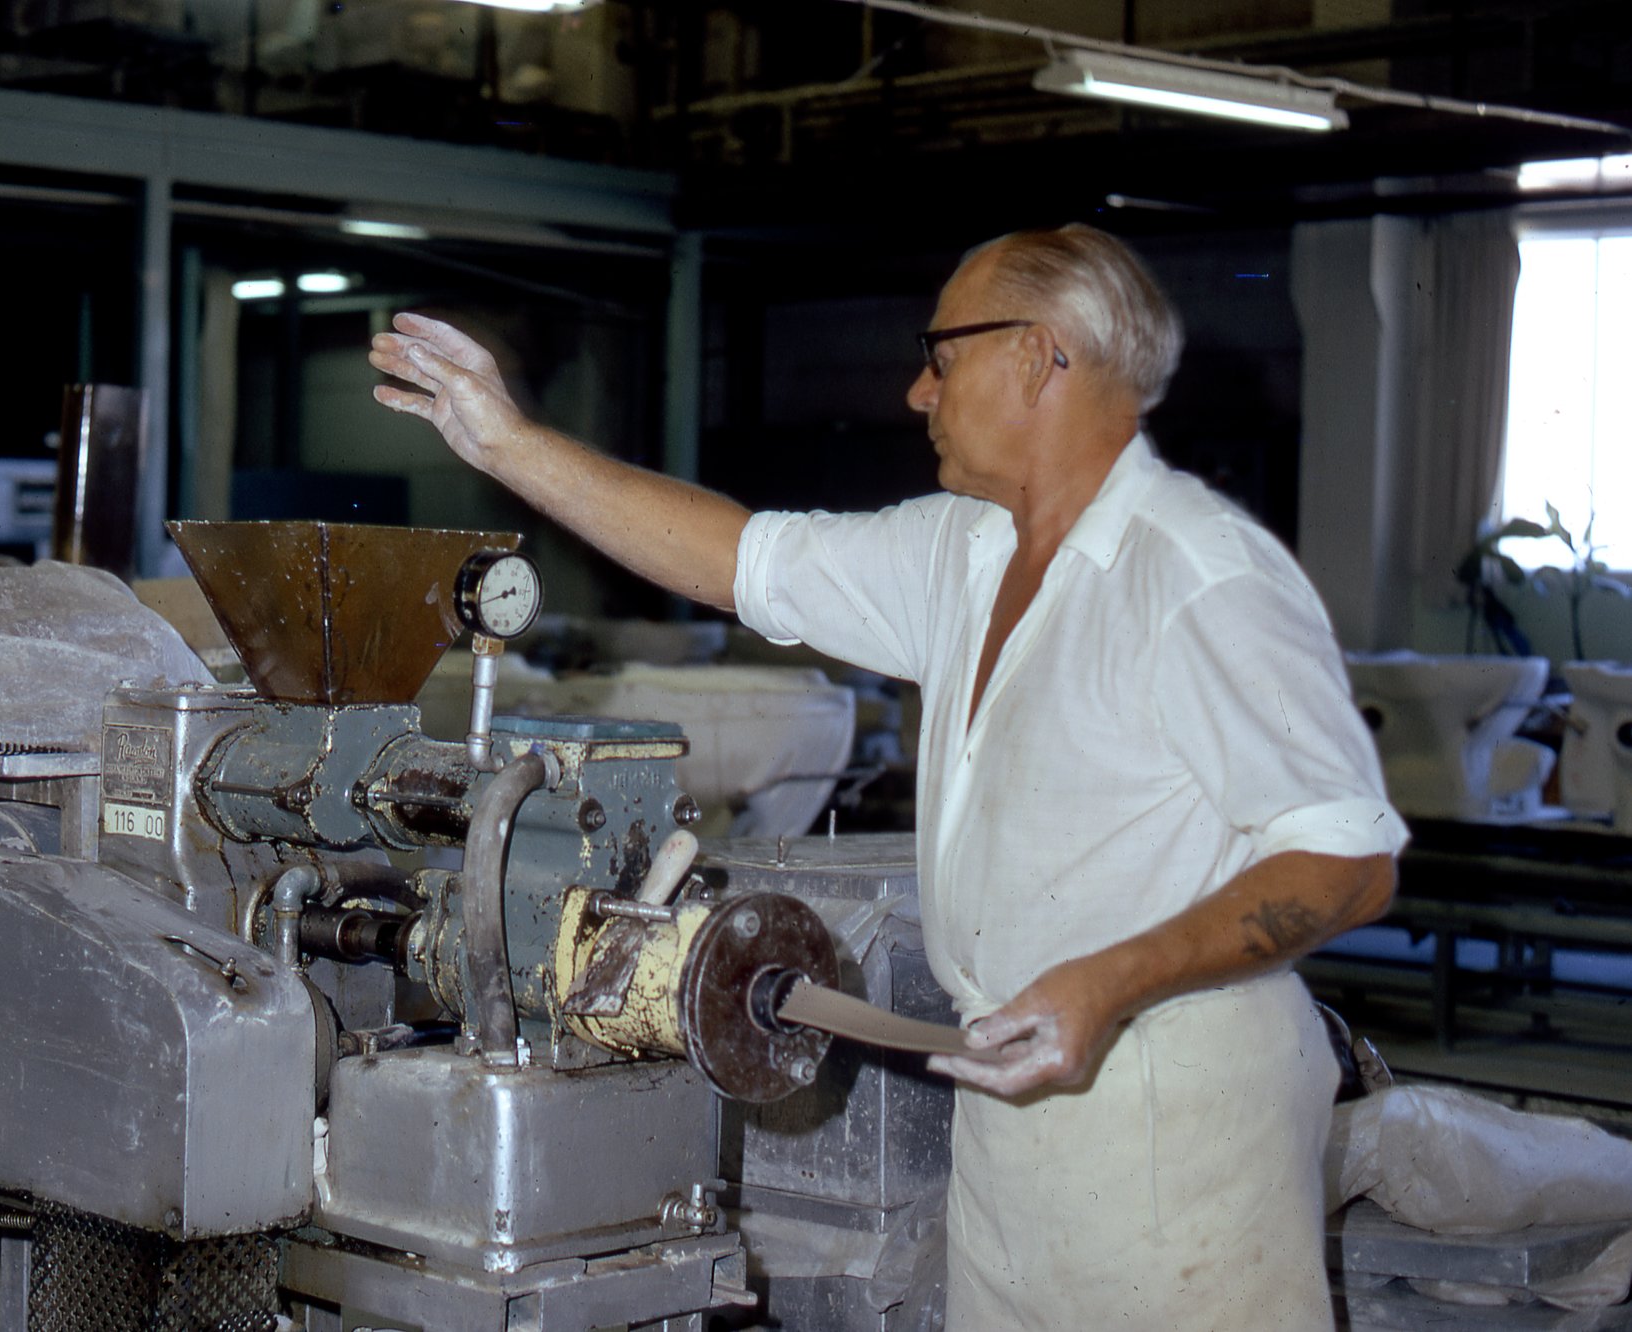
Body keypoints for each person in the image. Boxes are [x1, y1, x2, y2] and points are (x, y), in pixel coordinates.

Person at [368, 224, 1407, 1331]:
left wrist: (1106, 984)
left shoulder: (1194, 576)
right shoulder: (962, 553)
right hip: (1012, 1096)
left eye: (940, 354)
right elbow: (732, 558)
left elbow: (1345, 862)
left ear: (1038, 357)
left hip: (1167, 1097)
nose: (917, 391)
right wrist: (505, 443)